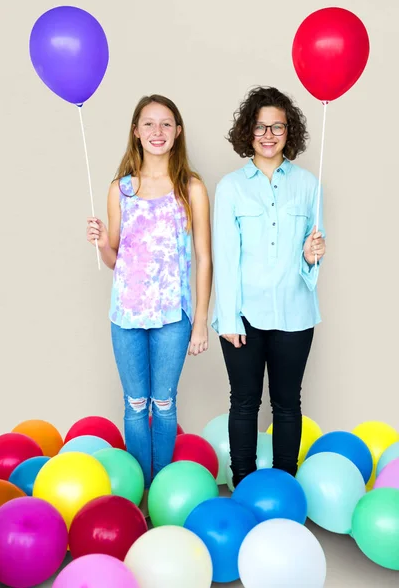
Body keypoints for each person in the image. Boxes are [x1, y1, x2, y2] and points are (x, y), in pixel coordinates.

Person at [86, 94, 212, 513]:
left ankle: (162, 492)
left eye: (166, 124)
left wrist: (199, 322)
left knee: (164, 402)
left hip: (172, 315)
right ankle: (140, 496)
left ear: (177, 133)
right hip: (126, 314)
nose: (157, 132)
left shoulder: (190, 187)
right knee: (135, 405)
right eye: (149, 124)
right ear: (136, 132)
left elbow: (204, 257)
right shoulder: (119, 189)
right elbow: (114, 259)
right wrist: (104, 243)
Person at [211, 86, 326, 488]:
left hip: (296, 313)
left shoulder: (309, 185)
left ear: (288, 131)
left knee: (287, 403)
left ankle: (285, 483)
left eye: (277, 126)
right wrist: (228, 317)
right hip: (243, 315)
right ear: (248, 132)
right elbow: (224, 258)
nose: (268, 134)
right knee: (243, 403)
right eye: (260, 127)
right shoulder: (231, 188)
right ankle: (242, 482)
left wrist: (313, 257)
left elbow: (311, 262)